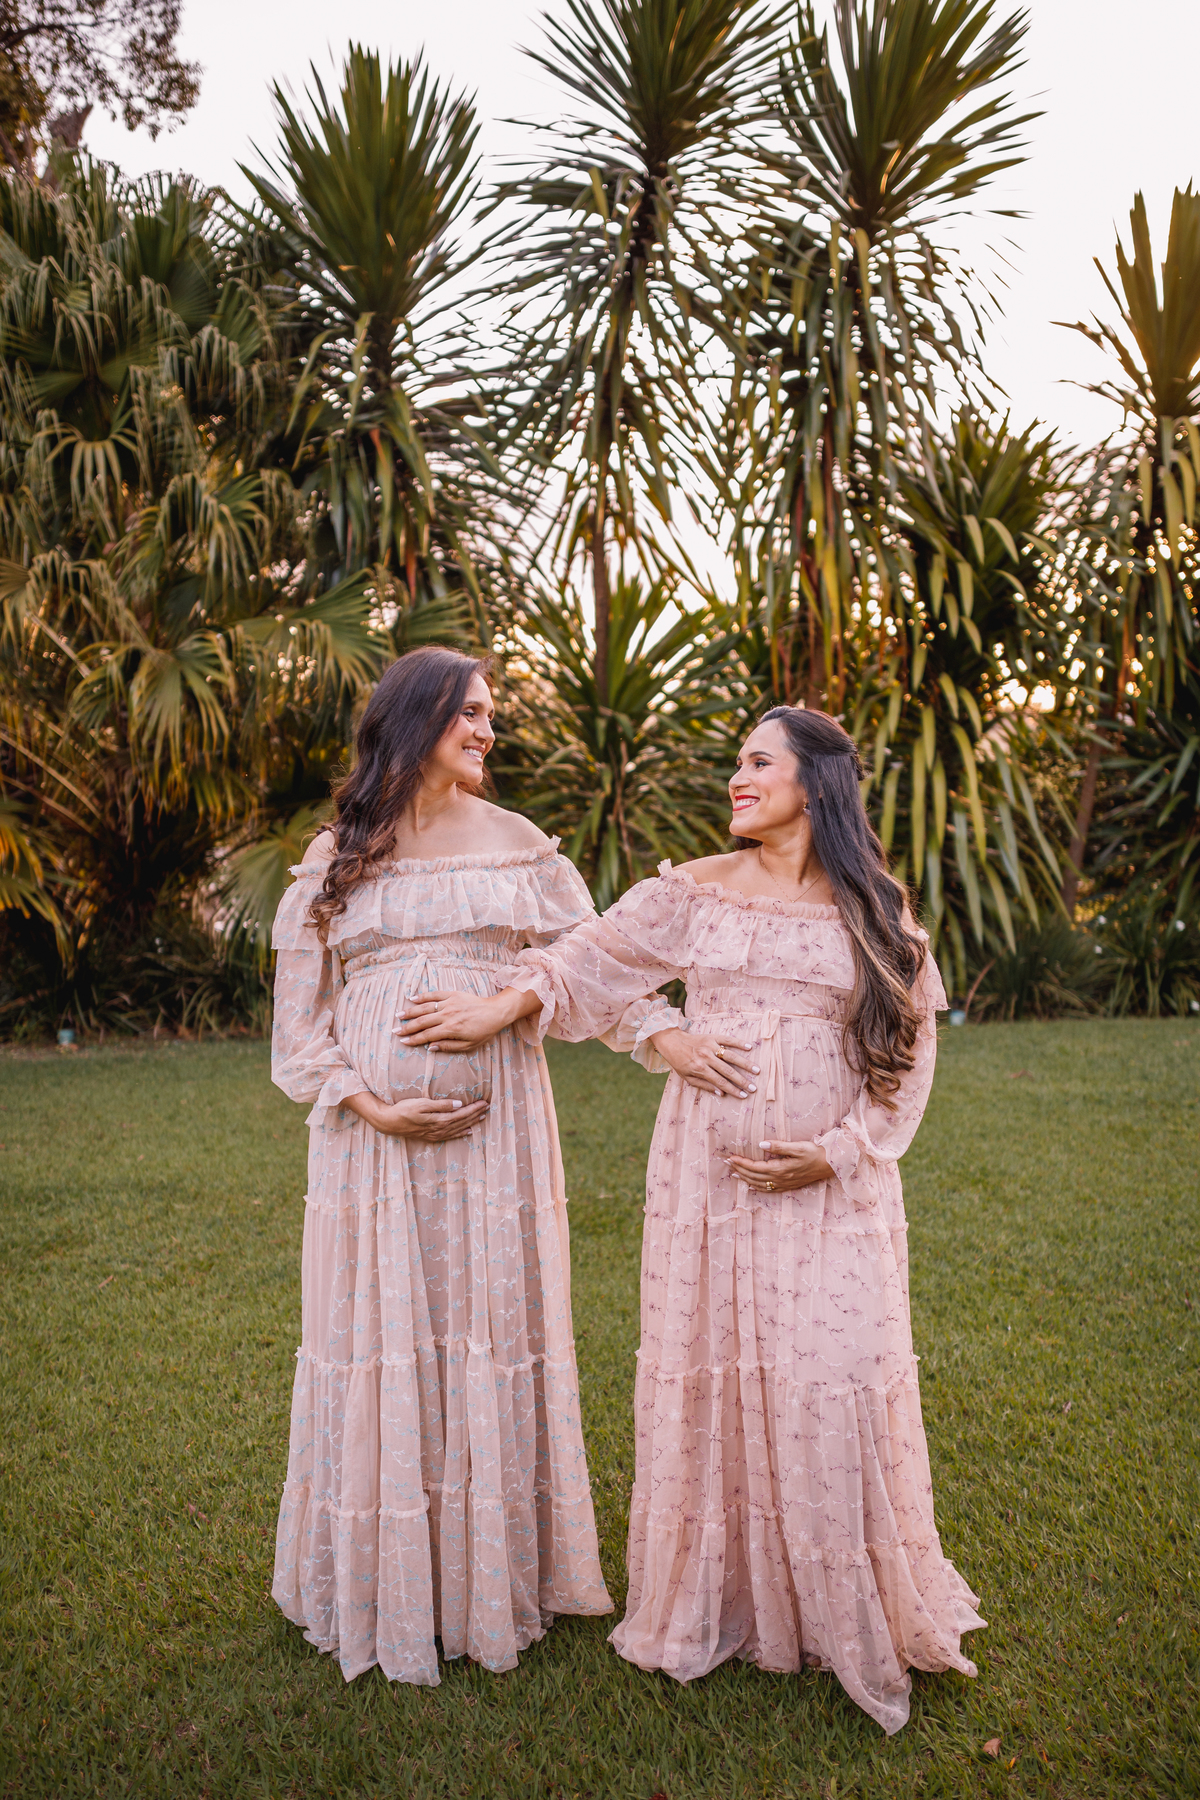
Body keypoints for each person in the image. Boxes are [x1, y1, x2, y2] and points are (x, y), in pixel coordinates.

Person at [398, 705, 983, 1733]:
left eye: (759, 762)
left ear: (818, 783)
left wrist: (836, 1153)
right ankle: (729, 1604)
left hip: (836, 1194)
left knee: (829, 1379)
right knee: (716, 1376)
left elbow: (910, 1059)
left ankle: (842, 1605)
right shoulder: (696, 891)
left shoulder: (874, 908)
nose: (737, 779)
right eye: (737, 762)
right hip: (705, 1187)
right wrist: (560, 1015)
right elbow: (587, 962)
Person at [268, 646, 612, 1686]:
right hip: (370, 1156)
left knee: (484, 1327)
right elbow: (300, 1032)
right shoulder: (338, 858)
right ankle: (387, 1580)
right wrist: (373, 1104)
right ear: (413, 722)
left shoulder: (521, 848)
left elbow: (596, 968)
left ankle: (489, 1580)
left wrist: (507, 1000)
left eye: (491, 715)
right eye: (469, 714)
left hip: (494, 1144)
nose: (488, 731)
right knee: (385, 1336)